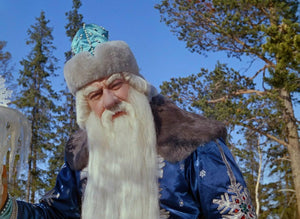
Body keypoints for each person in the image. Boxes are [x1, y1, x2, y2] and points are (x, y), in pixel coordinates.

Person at [0, 23, 256, 219]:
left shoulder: (193, 141)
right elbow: (55, 214)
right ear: (86, 107)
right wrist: (4, 205)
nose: (110, 100)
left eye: (116, 85)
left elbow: (233, 213)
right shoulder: (80, 159)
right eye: (96, 94)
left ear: (136, 86)